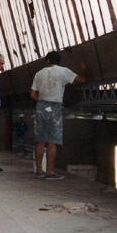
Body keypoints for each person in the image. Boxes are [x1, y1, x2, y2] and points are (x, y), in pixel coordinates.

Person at [30, 51, 86, 180]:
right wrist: (83, 70)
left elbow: (32, 94)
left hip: (41, 106)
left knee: (40, 140)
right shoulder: (64, 71)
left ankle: (39, 171)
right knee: (52, 141)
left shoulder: (39, 73)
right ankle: (49, 172)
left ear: (48, 60)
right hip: (55, 106)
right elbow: (82, 80)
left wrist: (43, 102)